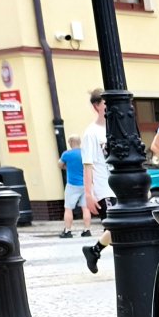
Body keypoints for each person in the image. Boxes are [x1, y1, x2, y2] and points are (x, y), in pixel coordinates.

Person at [80, 90, 115, 273]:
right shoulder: (91, 133)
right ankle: (94, 251)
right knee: (116, 226)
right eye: (105, 103)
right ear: (97, 106)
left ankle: (94, 251)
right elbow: (88, 165)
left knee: (120, 228)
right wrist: (88, 194)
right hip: (104, 188)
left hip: (119, 187)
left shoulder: (114, 128)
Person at [58, 136, 91, 238]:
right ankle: (87, 230)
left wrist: (66, 167)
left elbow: (59, 165)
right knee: (85, 208)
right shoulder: (85, 153)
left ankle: (67, 231)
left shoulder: (67, 154)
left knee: (68, 208)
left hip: (72, 184)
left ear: (71, 142)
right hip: (85, 184)